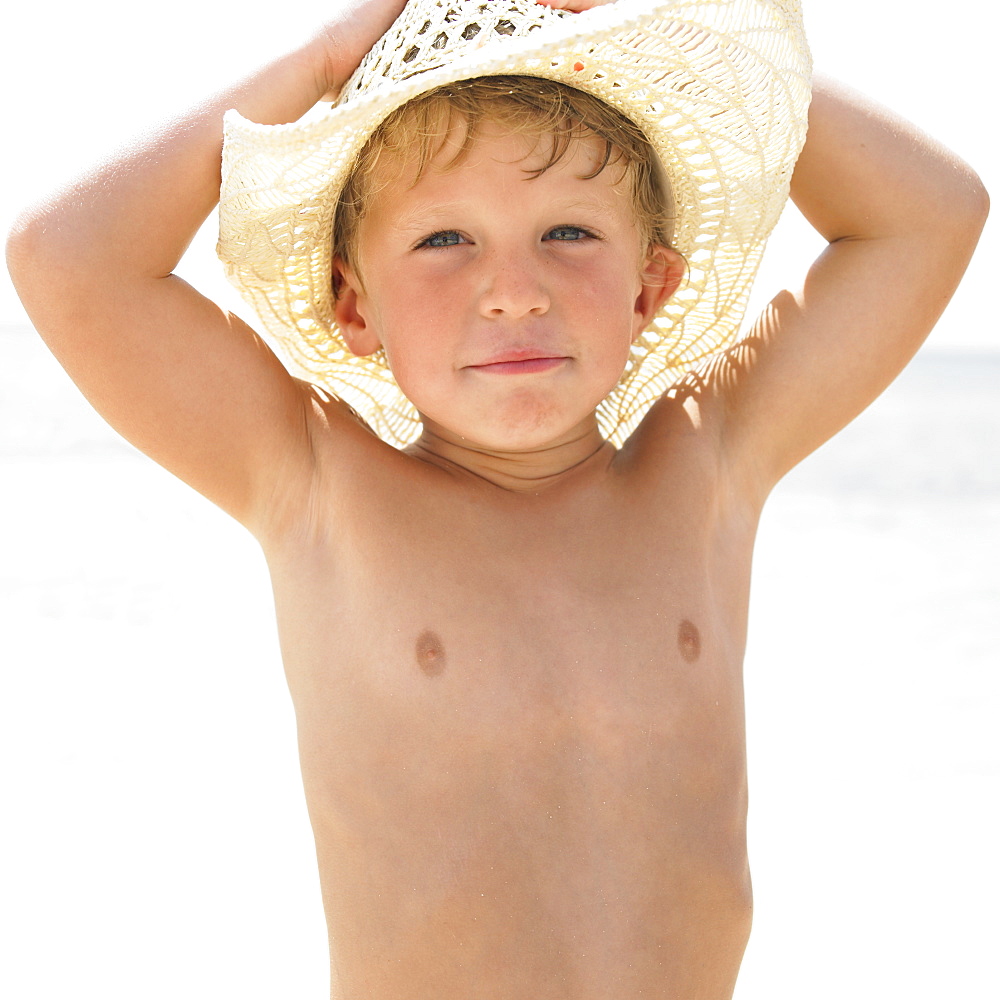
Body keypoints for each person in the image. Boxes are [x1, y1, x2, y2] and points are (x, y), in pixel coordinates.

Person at [5, 0, 987, 997]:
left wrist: (680, 33)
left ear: (651, 286)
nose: (514, 290)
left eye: (567, 230)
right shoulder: (318, 485)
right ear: (353, 304)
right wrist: (328, 56)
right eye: (443, 240)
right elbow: (66, 258)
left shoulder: (707, 465)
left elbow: (934, 216)